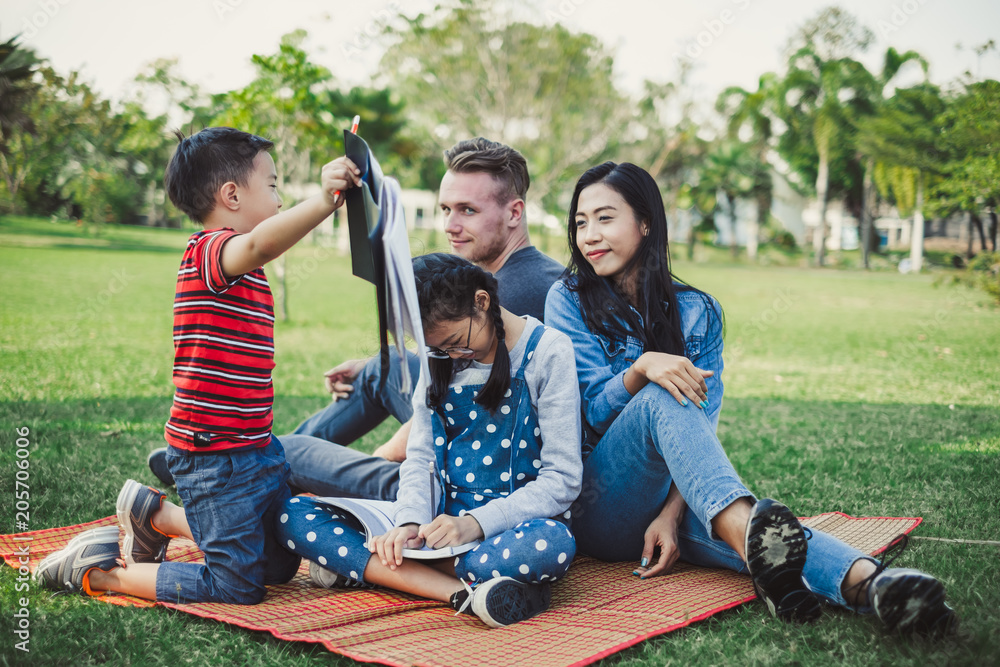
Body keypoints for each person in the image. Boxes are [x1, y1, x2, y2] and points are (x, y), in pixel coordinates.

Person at [543, 161, 957, 636]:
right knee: (664, 396)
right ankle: (755, 540)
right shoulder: (568, 299)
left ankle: (874, 586)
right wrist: (642, 367)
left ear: (646, 223)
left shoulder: (698, 311)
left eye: (605, 217)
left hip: (675, 500)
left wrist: (672, 513)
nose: (589, 235)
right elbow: (594, 410)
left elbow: (702, 423)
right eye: (580, 222)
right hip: (601, 503)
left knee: (740, 524)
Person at [34, 127, 361, 604]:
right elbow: (262, 244)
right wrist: (325, 201)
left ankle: (154, 515)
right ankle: (99, 573)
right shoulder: (210, 253)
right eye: (271, 185)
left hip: (257, 449)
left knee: (280, 562)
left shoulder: (239, 264)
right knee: (239, 585)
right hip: (214, 459)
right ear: (231, 195)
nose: (278, 196)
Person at [146, 138, 564, 499]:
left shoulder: (515, 295)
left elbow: (455, 406)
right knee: (384, 367)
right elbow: (451, 363)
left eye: (468, 211)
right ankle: (226, 465)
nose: (450, 226)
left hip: (472, 470)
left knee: (278, 451)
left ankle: (235, 468)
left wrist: (372, 461)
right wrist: (376, 365)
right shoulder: (497, 277)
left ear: (515, 213)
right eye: (445, 209)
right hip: (460, 438)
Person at [276, 253, 581, 627]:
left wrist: (474, 524)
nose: (453, 357)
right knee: (294, 514)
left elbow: (562, 480)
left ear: (482, 302)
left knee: (552, 545)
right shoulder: (440, 355)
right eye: (438, 350)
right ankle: (462, 590)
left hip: (505, 530)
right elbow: (421, 459)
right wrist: (407, 524)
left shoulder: (549, 352)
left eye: (456, 343)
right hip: (434, 529)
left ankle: (372, 569)